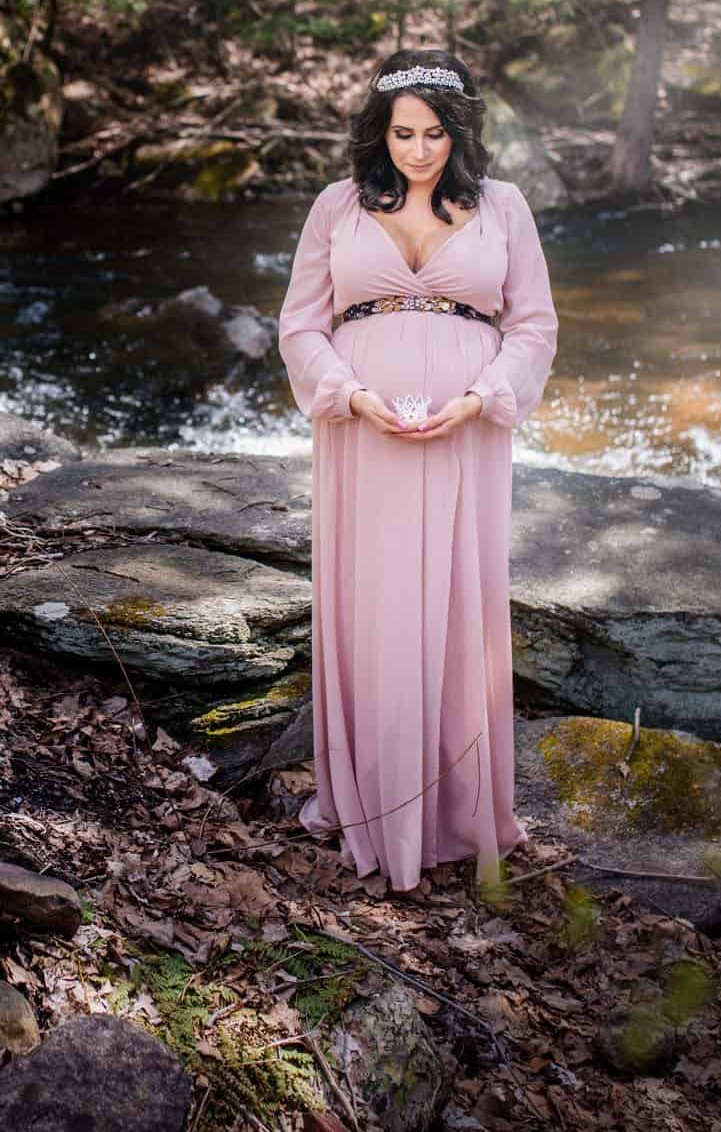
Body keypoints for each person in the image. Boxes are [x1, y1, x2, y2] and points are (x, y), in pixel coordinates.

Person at [276, 47, 558, 894]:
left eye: (435, 133)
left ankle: (457, 811)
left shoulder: (504, 208)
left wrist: (482, 397)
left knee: (454, 609)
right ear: (380, 131)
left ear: (459, 132)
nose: (420, 150)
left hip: (465, 433)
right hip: (362, 434)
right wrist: (348, 395)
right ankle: (372, 805)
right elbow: (299, 325)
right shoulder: (337, 206)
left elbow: (535, 327)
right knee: (375, 608)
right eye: (404, 133)